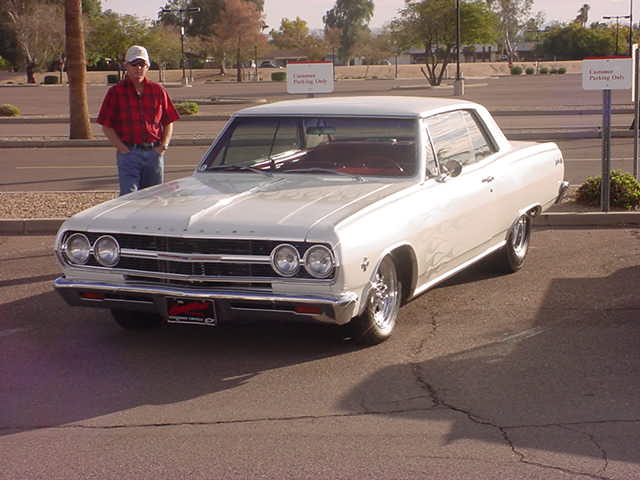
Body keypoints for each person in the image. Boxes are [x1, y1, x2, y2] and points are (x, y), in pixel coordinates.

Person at [97, 45, 180, 196]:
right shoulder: (116, 92)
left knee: (154, 198)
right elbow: (106, 125)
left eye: (142, 64)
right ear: (126, 66)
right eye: (134, 64)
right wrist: (122, 149)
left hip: (154, 154)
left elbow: (168, 120)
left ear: (148, 66)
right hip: (129, 154)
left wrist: (163, 146)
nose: (138, 68)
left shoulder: (158, 90)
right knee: (129, 198)